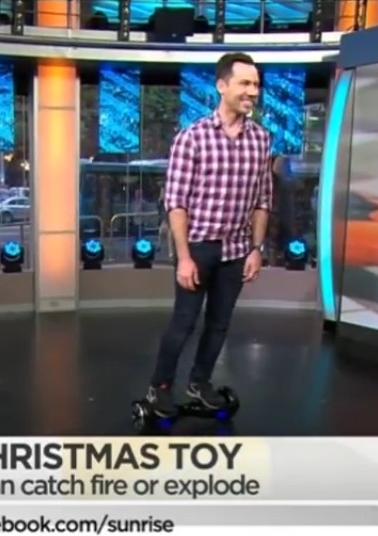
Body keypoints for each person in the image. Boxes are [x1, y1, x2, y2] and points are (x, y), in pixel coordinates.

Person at [146, 52, 272, 417]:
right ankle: (160, 386)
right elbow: (176, 203)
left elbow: (263, 200)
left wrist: (256, 248)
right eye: (245, 83)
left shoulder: (261, 139)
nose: (253, 92)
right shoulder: (192, 138)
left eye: (256, 85)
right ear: (222, 86)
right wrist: (184, 258)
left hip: (236, 250)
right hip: (198, 247)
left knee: (219, 325)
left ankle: (199, 382)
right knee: (184, 323)